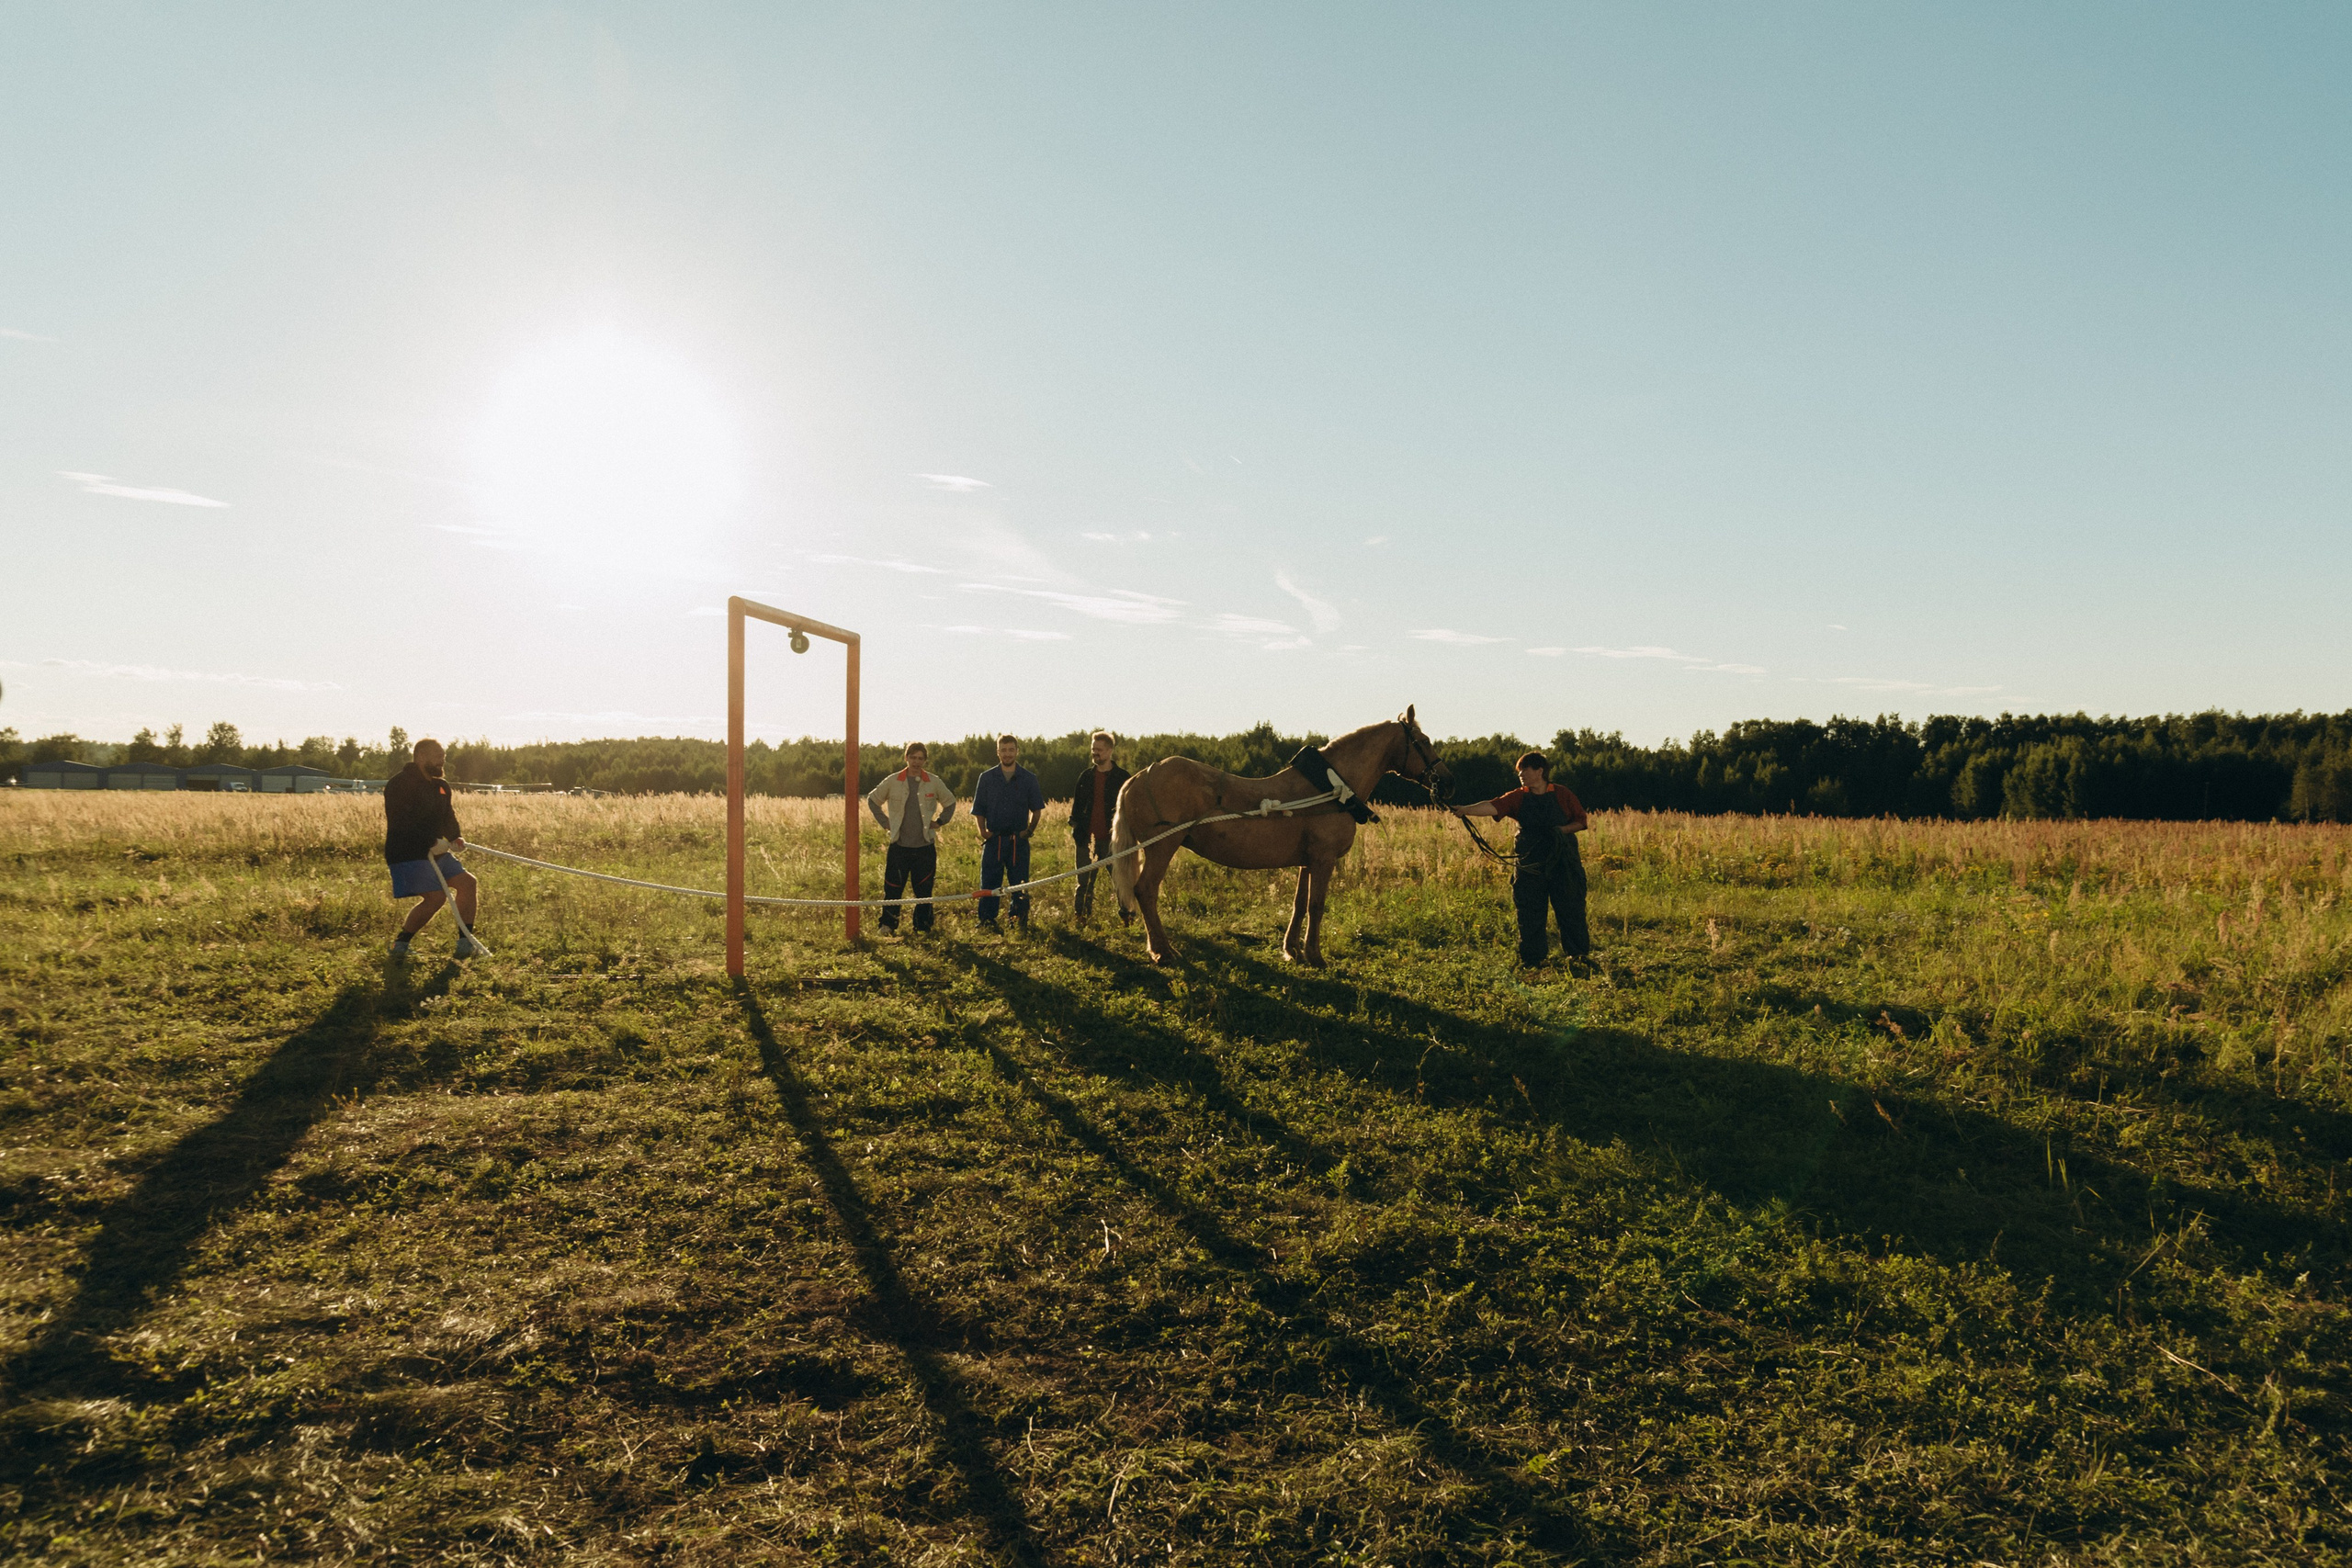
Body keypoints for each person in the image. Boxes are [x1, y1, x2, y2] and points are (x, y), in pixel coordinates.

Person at [1455, 751, 1590, 968]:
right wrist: (1465, 810)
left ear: (1540, 771)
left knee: (1570, 908)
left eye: (1524, 770)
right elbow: (1493, 806)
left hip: (1563, 863)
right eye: (1519, 771)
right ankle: (1533, 960)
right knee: (1529, 911)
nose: (1520, 774)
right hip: (1529, 863)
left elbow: (1581, 821)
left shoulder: (1563, 794)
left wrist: (1561, 830)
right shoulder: (1518, 796)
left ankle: (1578, 957)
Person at [385, 737, 485, 959]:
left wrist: (455, 837)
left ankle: (465, 943)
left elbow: (448, 817)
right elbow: (401, 821)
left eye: (443, 758)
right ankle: (400, 945)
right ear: (421, 757)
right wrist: (429, 842)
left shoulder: (441, 787)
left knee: (468, 883)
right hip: (406, 853)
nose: (442, 762)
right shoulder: (399, 784)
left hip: (436, 851)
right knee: (436, 897)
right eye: (438, 757)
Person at [865, 741, 956, 933]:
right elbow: (873, 800)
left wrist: (940, 822)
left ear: (925, 760)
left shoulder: (933, 781)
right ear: (906, 758)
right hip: (899, 845)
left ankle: (922, 927)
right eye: (913, 757)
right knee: (892, 887)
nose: (916, 762)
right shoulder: (893, 781)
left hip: (924, 846)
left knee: (924, 890)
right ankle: (888, 925)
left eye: (920, 758)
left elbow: (950, 802)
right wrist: (885, 822)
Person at [971, 732, 1045, 930]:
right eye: (1003, 750)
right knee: (989, 882)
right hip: (994, 839)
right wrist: (983, 831)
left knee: (1019, 882)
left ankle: (1018, 920)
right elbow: (979, 809)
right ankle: (987, 921)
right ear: (998, 752)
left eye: (1011, 750)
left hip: (1018, 841)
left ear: (1017, 751)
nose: (1008, 753)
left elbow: (1037, 810)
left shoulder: (1028, 779)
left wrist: (1028, 831)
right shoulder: (986, 778)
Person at [1068, 729, 1132, 927]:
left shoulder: (1123, 778)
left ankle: (1127, 919)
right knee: (1084, 883)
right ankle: (1082, 919)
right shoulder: (1085, 777)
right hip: (1087, 841)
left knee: (1122, 882)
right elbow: (1076, 809)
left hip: (1114, 841)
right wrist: (1077, 831)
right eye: (1093, 749)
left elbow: (1131, 811)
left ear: (1110, 751)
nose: (1095, 753)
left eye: (1100, 750)